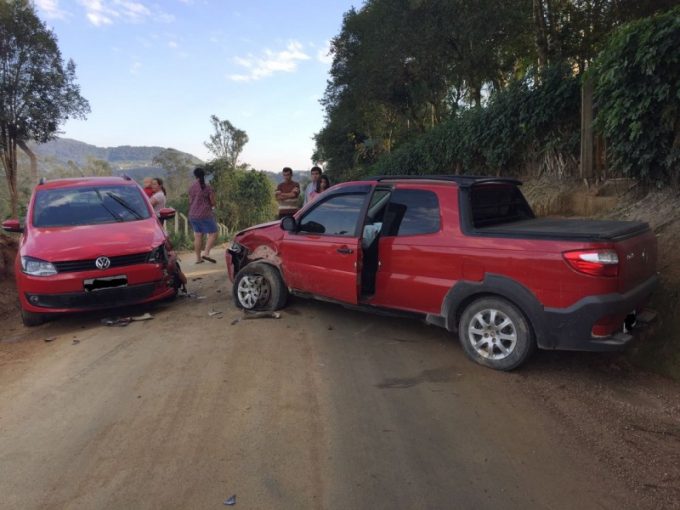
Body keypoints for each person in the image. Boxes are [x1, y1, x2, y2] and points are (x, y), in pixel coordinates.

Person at [188, 167, 218, 264]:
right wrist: (213, 205)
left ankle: (198, 259)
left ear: (195, 175)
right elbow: (212, 201)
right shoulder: (207, 187)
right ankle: (206, 253)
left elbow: (190, 201)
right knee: (213, 233)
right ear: (204, 175)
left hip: (193, 214)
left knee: (198, 235)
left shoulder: (191, 187)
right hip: (204, 214)